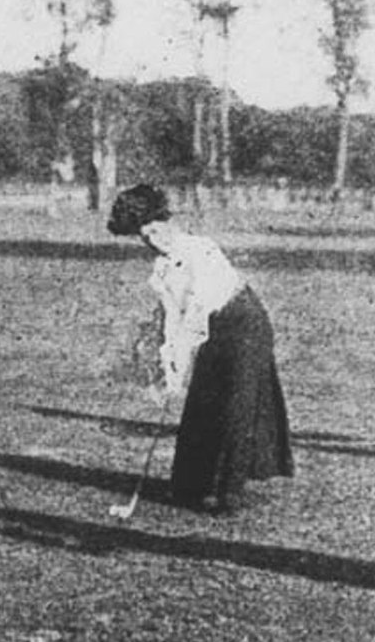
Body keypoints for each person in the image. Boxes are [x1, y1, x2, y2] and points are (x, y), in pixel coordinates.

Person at [106, 184, 293, 515]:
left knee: (236, 406)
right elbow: (171, 319)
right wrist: (169, 366)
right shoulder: (162, 270)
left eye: (154, 231)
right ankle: (190, 486)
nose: (152, 241)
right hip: (213, 328)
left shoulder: (200, 249)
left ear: (167, 221)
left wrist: (181, 356)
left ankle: (229, 493)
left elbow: (196, 310)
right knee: (202, 401)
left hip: (244, 324)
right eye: (144, 237)